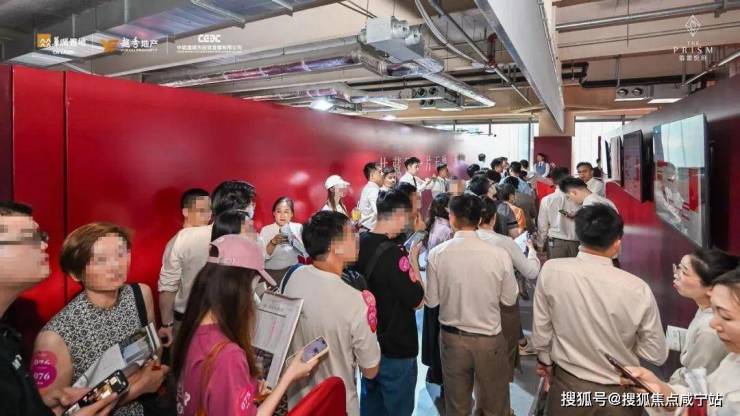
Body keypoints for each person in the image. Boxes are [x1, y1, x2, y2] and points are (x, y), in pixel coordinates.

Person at [532, 204, 668, 416]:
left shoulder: (552, 270)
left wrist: (545, 361)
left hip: (569, 386)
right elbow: (656, 354)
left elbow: (542, 330)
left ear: (579, 235)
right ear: (617, 243)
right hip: (621, 393)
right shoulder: (637, 288)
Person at [172, 235, 317, 416]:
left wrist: (247, 387)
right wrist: (288, 377)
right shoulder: (228, 356)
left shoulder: (192, 328)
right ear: (237, 288)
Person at [35, 223, 170, 416]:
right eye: (100, 260)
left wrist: (154, 371)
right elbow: (55, 410)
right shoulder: (55, 336)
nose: (115, 265)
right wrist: (138, 388)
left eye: (120, 254)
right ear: (75, 273)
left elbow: (153, 350)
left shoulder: (140, 294)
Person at [0, 201, 118, 416]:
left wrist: (39, 403)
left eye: (41, 236)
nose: (44, 245)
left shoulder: (7, 335)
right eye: (30, 237)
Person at [425, 194, 518, 416]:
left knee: (457, 406)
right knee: (495, 405)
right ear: (480, 219)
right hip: (489, 339)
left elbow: (432, 301)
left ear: (452, 217)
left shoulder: (438, 254)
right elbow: (509, 299)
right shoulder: (499, 254)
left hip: (452, 339)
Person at [281, 211, 380, 415]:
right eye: (351, 234)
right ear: (334, 246)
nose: (357, 238)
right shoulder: (355, 301)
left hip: (298, 402)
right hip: (337, 405)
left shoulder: (292, 276)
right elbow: (370, 370)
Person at [627, 268, 740, 415]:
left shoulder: (709, 335)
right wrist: (664, 391)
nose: (713, 323)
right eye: (714, 311)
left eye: (726, 316)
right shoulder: (733, 360)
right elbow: (706, 401)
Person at [158, 180, 257, 347]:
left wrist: (167, 324)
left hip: (188, 320)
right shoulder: (253, 240)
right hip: (231, 323)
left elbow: (167, 286)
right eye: (250, 205)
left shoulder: (184, 237)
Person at [358, 190, 424, 416]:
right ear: (398, 215)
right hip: (396, 347)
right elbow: (418, 300)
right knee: (398, 408)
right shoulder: (395, 254)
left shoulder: (358, 243)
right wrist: (413, 260)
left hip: (367, 342)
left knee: (371, 405)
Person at [477, 197, 540, 386]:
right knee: (502, 358)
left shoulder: (458, 243)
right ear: (494, 218)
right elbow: (531, 271)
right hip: (502, 308)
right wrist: (532, 251)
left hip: (473, 307)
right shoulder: (503, 242)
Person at [666, 249, 737, 384]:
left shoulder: (710, 331)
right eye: (679, 267)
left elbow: (695, 383)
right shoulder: (704, 309)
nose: (676, 274)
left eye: (684, 272)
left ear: (711, 287)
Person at [421, 193, 453, 386]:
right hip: (441, 285)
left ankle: (434, 370)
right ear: (446, 209)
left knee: (433, 330)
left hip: (433, 283)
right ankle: (439, 372)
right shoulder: (446, 230)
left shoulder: (435, 224)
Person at [536, 167, 580, 259]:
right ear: (569, 178)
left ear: (553, 181)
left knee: (556, 268)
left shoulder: (547, 200)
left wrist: (540, 244)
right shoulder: (579, 199)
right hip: (577, 242)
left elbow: (543, 226)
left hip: (555, 244)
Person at [259, 197, 304, 286]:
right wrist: (273, 242)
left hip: (292, 271)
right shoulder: (266, 230)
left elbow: (304, 252)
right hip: (271, 273)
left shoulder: (298, 228)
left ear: (292, 214)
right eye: (279, 211)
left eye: (286, 212)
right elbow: (262, 257)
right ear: (274, 213)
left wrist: (295, 241)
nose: (282, 215)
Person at [357, 163, 383, 233]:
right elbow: (379, 212)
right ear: (372, 176)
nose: (382, 174)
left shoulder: (370, 187)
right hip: (370, 231)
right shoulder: (373, 190)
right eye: (380, 172)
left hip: (367, 230)